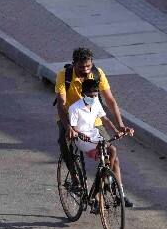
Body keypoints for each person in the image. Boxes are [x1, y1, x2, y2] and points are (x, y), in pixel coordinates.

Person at [54, 48, 134, 206]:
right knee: (65, 143)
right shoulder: (64, 76)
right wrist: (69, 127)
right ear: (74, 64)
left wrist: (120, 125)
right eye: (82, 67)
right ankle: (75, 179)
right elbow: (62, 105)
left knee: (112, 156)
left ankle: (117, 192)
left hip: (93, 121)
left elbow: (110, 100)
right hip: (72, 119)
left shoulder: (97, 74)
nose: (85, 70)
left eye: (88, 66)